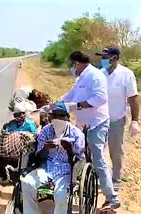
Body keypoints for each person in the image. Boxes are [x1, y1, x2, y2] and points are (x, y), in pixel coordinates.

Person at [60, 51, 120, 209]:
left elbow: (101, 98)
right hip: (84, 125)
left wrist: (77, 105)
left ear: (77, 63)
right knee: (80, 155)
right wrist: (57, 104)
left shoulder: (95, 75)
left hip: (97, 124)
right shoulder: (81, 77)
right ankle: (83, 184)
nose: (72, 69)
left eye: (72, 65)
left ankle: (112, 198)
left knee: (98, 159)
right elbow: (71, 95)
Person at [21, 102, 85, 214]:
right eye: (55, 115)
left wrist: (69, 150)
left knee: (60, 194)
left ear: (67, 117)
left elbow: (79, 161)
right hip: (47, 167)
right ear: (51, 117)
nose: (58, 119)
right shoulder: (46, 130)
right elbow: (38, 156)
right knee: (27, 182)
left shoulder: (77, 134)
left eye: (61, 116)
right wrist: (45, 148)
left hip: (66, 170)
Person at [96, 46, 139, 190]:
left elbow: (133, 98)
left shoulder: (126, 74)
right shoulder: (99, 74)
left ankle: (115, 179)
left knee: (115, 150)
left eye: (104, 57)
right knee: (97, 150)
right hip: (98, 119)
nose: (102, 59)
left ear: (113, 58)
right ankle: (99, 177)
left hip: (116, 118)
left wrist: (134, 121)